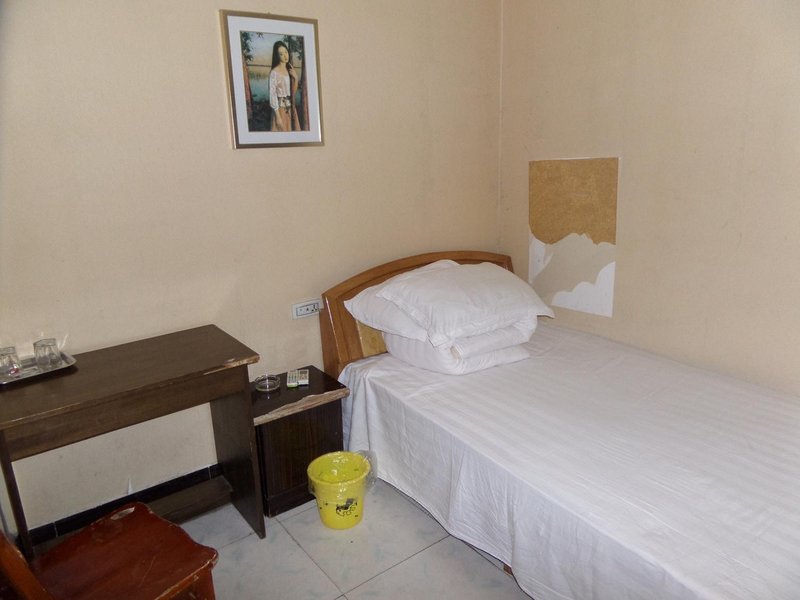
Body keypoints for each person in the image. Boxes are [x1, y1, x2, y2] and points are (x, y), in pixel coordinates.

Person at [268, 41, 300, 131]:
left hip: (291, 109)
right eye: (281, 54)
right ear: (277, 56)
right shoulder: (274, 73)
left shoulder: (290, 70)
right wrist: (278, 117)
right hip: (280, 110)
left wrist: (296, 78)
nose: (285, 56)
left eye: (286, 52)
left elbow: (293, 93)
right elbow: (272, 94)